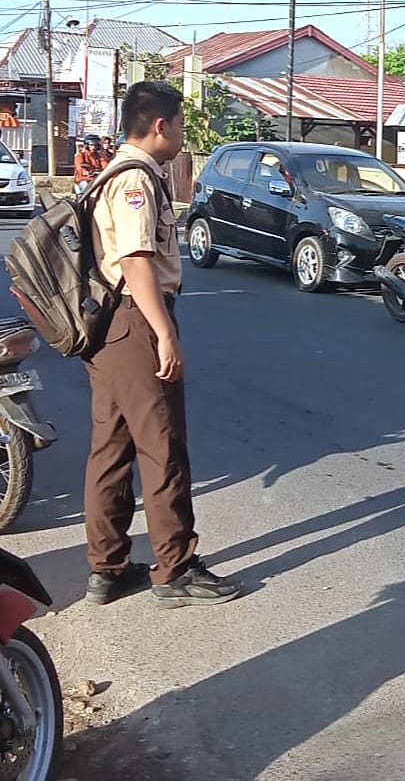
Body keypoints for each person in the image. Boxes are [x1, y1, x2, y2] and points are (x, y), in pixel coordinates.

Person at [83, 81, 242, 608]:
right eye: (179, 125)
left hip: (111, 326)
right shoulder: (136, 179)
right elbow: (135, 260)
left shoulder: (117, 172)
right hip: (135, 321)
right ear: (160, 125)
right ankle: (175, 569)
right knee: (163, 447)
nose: (180, 135)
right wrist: (165, 333)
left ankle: (108, 568)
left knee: (112, 449)